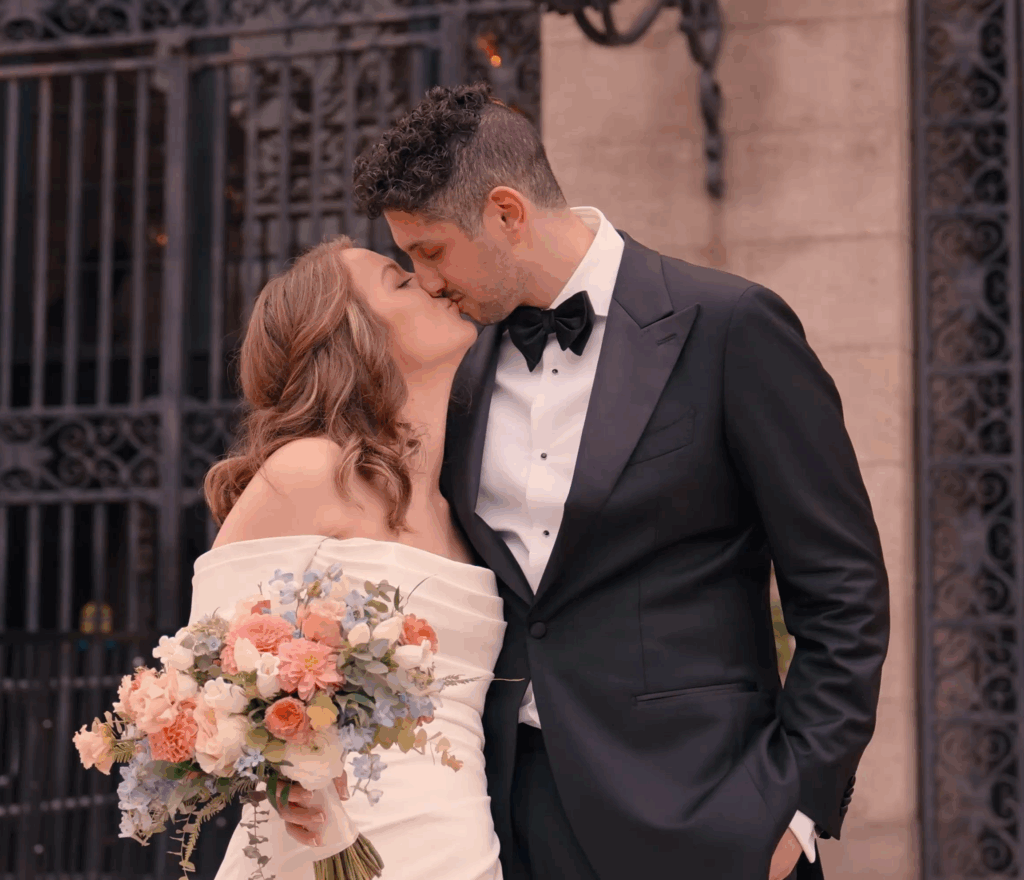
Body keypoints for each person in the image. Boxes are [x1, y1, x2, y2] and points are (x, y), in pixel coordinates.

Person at [350, 82, 891, 880]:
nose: (425, 281)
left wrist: (799, 802)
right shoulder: (453, 369)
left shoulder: (732, 326)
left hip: (707, 810)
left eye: (429, 250)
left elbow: (842, 587)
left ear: (506, 213)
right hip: (506, 813)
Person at [189, 235, 506, 879]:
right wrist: (297, 788)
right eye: (399, 279)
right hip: (322, 846)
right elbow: (207, 679)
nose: (431, 280)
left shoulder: (469, 510)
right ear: (354, 338)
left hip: (459, 845)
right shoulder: (310, 473)